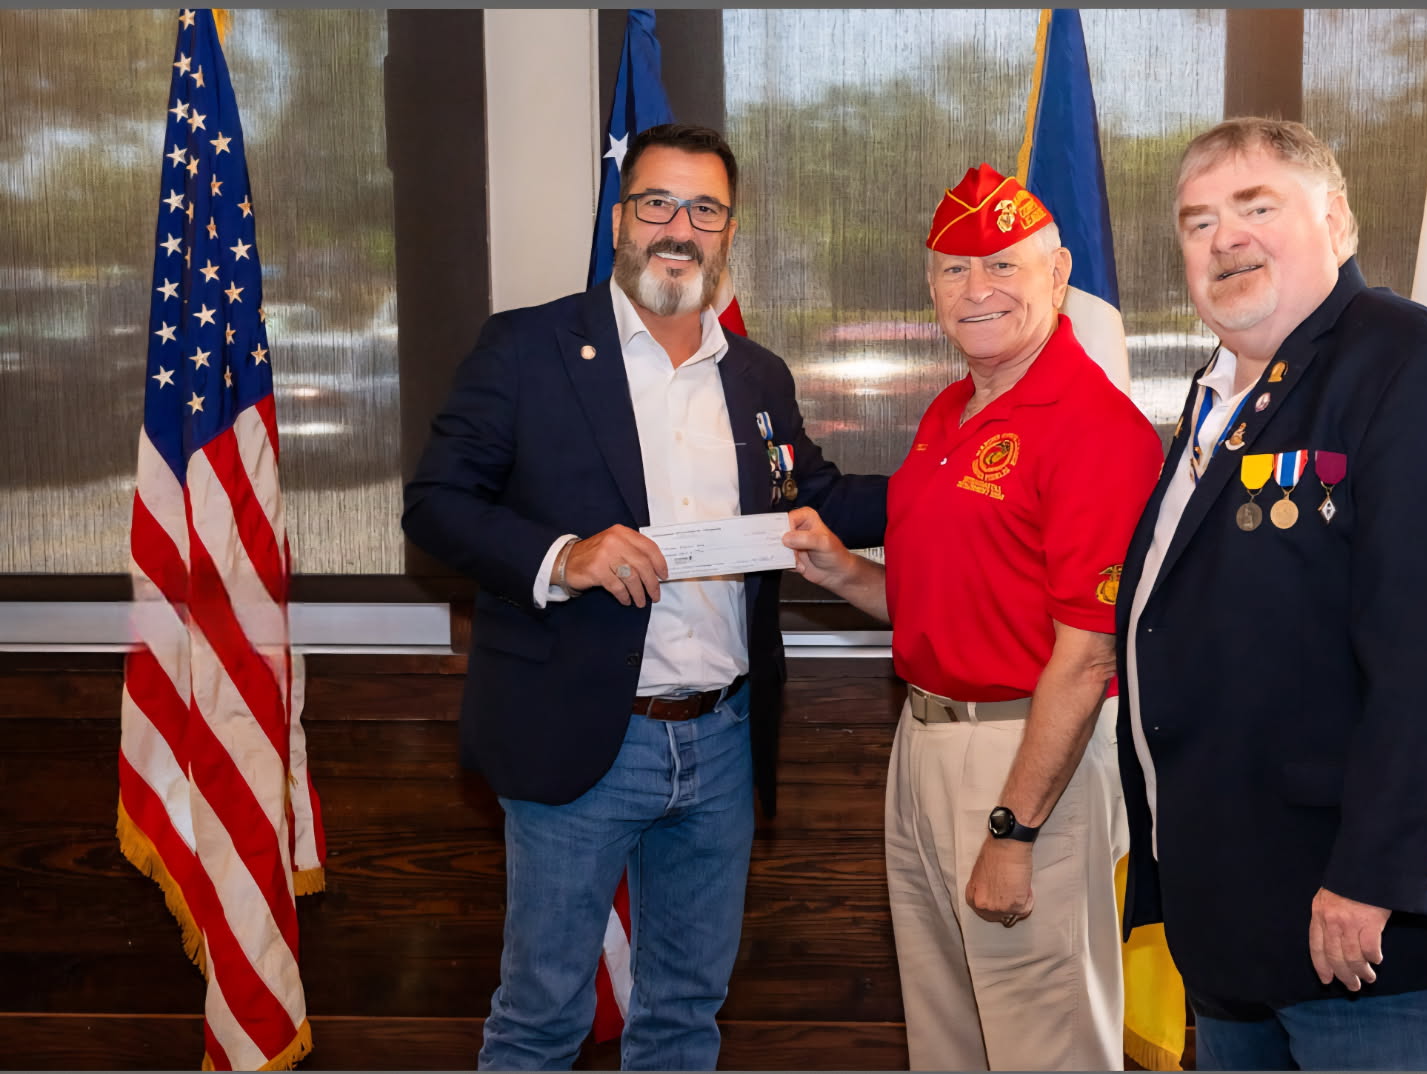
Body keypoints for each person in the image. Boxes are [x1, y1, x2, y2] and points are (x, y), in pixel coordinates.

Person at [401, 123, 887, 1071]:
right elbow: (437, 505)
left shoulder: (756, 375)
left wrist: (960, 481)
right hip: (582, 734)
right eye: (657, 202)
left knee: (685, 1015)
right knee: (543, 1015)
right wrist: (563, 555)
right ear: (621, 218)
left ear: (727, 232)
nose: (680, 226)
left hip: (722, 738)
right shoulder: (526, 347)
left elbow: (814, 499)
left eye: (704, 209)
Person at [1114, 116, 1427, 1070]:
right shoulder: (1219, 397)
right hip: (1244, 925)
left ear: (1340, 223)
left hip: (1375, 936)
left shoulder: (1419, 370)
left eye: (1256, 207)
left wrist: (1373, 878)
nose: (1223, 238)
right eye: (1197, 223)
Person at [784, 163, 1163, 1070]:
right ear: (931, 289)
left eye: (1003, 265)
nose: (978, 288)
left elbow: (1085, 658)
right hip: (922, 740)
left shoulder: (1094, 426)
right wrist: (843, 574)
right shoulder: (951, 409)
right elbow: (942, 600)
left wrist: (1014, 829)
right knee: (947, 1035)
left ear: (1060, 272)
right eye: (955, 270)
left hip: (1028, 757)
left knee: (1047, 1041)